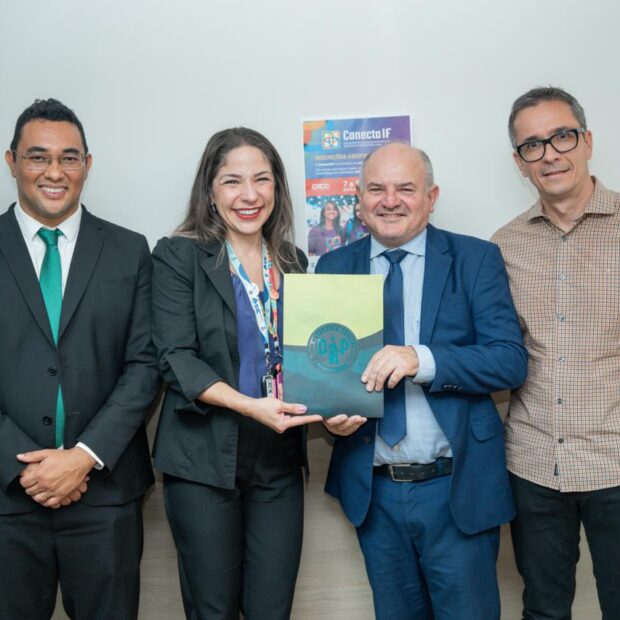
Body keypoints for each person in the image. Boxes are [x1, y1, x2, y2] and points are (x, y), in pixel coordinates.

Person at [316, 142, 527, 620]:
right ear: (359, 198)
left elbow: (509, 361)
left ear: (431, 197)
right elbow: (327, 370)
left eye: (406, 189)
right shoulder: (333, 267)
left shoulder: (475, 258)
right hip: (374, 493)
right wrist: (331, 418)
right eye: (377, 189)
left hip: (455, 488)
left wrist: (421, 360)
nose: (390, 201)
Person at [151, 127, 322, 620]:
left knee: (272, 609)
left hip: (279, 459)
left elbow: (308, 357)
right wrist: (250, 406)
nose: (249, 195)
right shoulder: (179, 256)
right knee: (214, 610)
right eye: (232, 181)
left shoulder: (292, 261)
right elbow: (176, 357)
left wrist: (336, 405)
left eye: (261, 179)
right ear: (210, 190)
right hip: (204, 459)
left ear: (277, 187)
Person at [0, 98, 160, 619]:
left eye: (69, 158)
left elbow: (145, 365)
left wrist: (83, 456)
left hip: (105, 494)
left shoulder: (130, 250)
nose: (55, 172)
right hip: (5, 497)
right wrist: (24, 466)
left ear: (87, 165)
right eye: (37, 156)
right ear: (11, 162)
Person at [492, 86, 620, 620]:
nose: (549, 154)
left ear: (587, 141)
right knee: (543, 610)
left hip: (616, 463)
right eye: (533, 145)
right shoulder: (502, 246)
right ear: (519, 162)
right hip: (535, 465)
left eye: (562, 136)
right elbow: (497, 352)